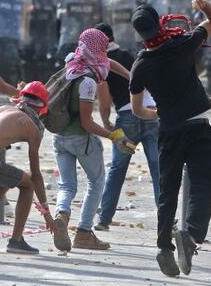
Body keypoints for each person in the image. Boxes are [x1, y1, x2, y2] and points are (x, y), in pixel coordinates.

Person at [129, 0, 211, 278]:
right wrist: (203, 5)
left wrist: (161, 114)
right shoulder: (183, 44)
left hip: (168, 132)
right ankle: (191, 234)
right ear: (159, 23)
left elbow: (137, 110)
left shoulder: (140, 65)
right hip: (197, 126)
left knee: (168, 192)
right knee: (207, 178)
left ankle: (163, 247)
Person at [52, 28, 135, 252]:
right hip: (81, 140)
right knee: (96, 183)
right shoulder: (88, 81)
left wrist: (131, 75)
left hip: (59, 138)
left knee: (67, 185)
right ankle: (84, 232)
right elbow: (87, 123)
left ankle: (61, 214)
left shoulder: (72, 64)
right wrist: (114, 136)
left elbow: (108, 62)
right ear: (99, 48)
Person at [0, 82, 57, 254]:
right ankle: (16, 241)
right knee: (27, 185)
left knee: (8, 178)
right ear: (40, 108)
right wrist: (46, 212)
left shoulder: (1, 109)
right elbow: (36, 175)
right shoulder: (31, 126)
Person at [94, 22, 160, 232]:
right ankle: (166, 218)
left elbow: (104, 101)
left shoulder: (101, 62)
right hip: (151, 114)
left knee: (118, 169)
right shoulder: (130, 54)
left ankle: (104, 219)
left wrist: (106, 122)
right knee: (157, 168)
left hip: (127, 118)